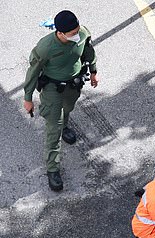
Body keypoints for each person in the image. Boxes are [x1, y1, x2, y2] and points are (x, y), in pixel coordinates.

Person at [23, 10, 98, 192]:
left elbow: (89, 52)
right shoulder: (46, 47)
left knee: (68, 108)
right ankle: (53, 169)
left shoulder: (83, 33)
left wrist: (94, 71)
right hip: (52, 90)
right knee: (53, 130)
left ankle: (65, 126)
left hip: (73, 85)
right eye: (72, 34)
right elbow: (32, 72)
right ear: (60, 33)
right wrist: (28, 98)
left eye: (77, 30)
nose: (76, 35)